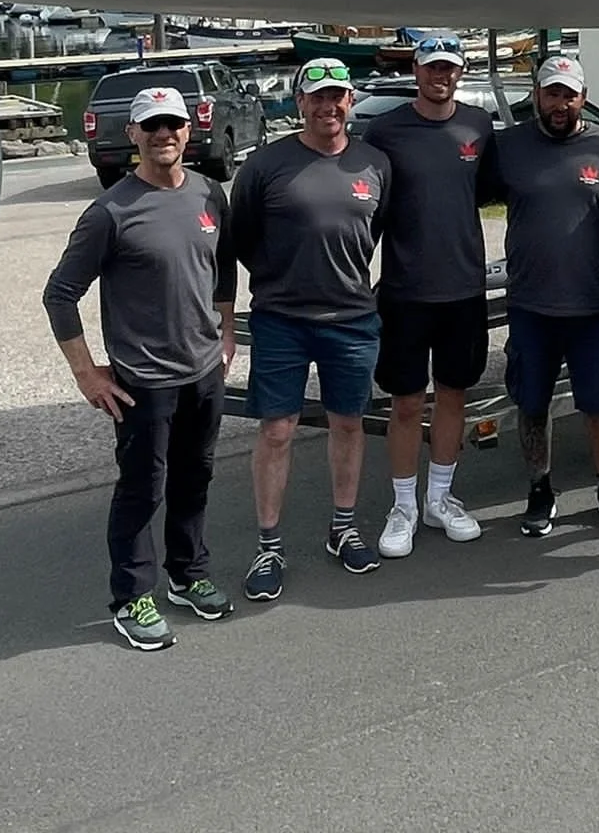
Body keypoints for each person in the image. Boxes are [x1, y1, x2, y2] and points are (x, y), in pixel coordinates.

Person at [41, 86, 238, 651]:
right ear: (132, 135)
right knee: (141, 491)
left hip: (203, 372)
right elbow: (60, 295)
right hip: (144, 382)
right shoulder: (110, 212)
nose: (164, 135)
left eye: (173, 124)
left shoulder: (207, 193)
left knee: (194, 479)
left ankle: (187, 573)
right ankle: (132, 597)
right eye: (151, 126)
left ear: (188, 130)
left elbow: (223, 266)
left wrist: (225, 331)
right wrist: (87, 374)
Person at [226, 57, 391, 599]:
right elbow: (238, 241)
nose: (328, 106)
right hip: (282, 321)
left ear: (350, 101)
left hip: (352, 320)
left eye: (337, 96)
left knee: (349, 424)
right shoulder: (265, 165)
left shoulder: (375, 166)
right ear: (299, 102)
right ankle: (268, 545)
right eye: (316, 97)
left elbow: (377, 231)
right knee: (277, 431)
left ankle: (343, 528)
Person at [477, 54, 599, 536]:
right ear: (537, 95)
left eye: (569, 93)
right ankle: (540, 488)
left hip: (591, 304)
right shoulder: (509, 146)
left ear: (583, 96)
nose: (560, 103)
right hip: (530, 304)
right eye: (552, 93)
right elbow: (465, 199)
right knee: (532, 403)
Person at [361, 33, 496, 558]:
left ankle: (440, 499)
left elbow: (481, 192)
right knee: (405, 403)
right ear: (415, 70)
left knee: (454, 395)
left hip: (463, 288)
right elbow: (368, 205)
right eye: (432, 66)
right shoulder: (385, 130)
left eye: (450, 67)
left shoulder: (478, 126)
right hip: (404, 289)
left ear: (460, 72)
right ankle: (403, 506)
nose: (441, 75)